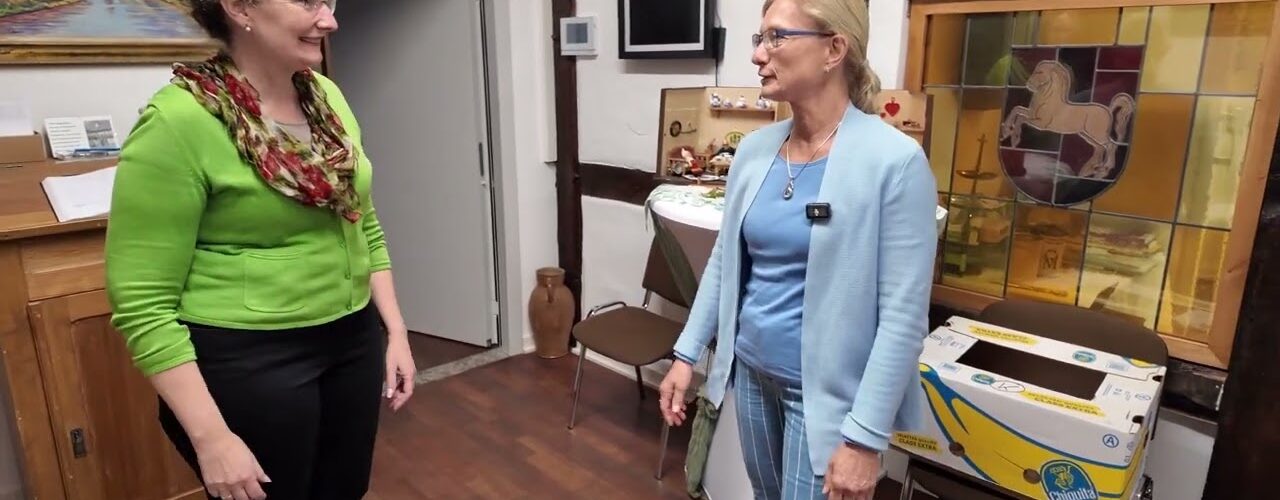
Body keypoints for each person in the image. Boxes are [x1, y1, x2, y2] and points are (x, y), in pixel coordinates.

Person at [104, 1, 416, 499]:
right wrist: (211, 438)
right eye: (307, 1)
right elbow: (143, 304)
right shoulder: (179, 121)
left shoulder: (327, 98)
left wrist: (394, 330)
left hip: (352, 341)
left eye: (330, 1)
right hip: (250, 362)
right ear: (238, 7)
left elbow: (362, 222)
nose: (329, 20)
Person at [657, 0, 936, 499]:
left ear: (834, 49)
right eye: (759, 39)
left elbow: (903, 318)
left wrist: (865, 439)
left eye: (777, 37)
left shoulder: (895, 162)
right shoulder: (754, 151)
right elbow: (725, 262)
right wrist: (686, 354)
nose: (758, 54)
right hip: (751, 376)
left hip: (825, 396)